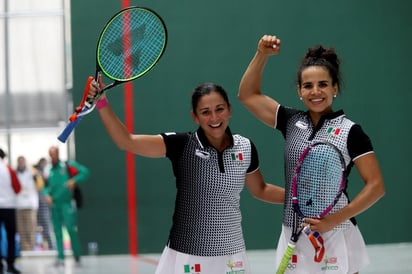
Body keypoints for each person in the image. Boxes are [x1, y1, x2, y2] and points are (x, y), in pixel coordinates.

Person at [88, 77, 285, 274]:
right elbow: (127, 141)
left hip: (232, 255)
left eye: (219, 109)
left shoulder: (245, 146)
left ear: (229, 109)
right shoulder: (182, 145)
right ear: (195, 117)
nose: (214, 118)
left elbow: (260, 189)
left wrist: (298, 198)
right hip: (188, 254)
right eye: (205, 112)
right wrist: (102, 102)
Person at [238, 35, 385, 273]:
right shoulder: (290, 121)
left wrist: (334, 220)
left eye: (323, 84)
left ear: (335, 87)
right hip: (292, 231)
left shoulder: (351, 131)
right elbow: (247, 95)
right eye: (308, 86)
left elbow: (376, 186)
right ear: (299, 90)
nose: (315, 91)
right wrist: (262, 54)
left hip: (335, 233)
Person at [43, 146, 90, 267]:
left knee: (71, 230)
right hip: (54, 205)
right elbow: (45, 186)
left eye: (55, 153)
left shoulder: (67, 165)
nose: (53, 156)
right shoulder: (48, 170)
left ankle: (77, 256)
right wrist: (46, 194)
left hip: (67, 204)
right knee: (57, 232)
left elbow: (85, 172)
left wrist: (74, 180)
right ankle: (60, 257)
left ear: (58, 154)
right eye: (51, 154)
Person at [0, 148, 22, 274]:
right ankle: (10, 265)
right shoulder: (8, 169)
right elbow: (17, 188)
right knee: (11, 237)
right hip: (8, 207)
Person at [15, 156, 43, 251]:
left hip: (30, 204)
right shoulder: (14, 173)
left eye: (22, 161)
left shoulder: (33, 173)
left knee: (31, 228)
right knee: (21, 229)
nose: (21, 163)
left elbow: (40, 186)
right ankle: (24, 248)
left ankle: (31, 247)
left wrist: (36, 176)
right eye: (19, 162)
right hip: (19, 204)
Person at [33, 157, 54, 250]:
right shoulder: (35, 173)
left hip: (44, 205)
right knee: (36, 227)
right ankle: (39, 245)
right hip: (34, 204)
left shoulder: (48, 174)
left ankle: (50, 245)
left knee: (46, 225)